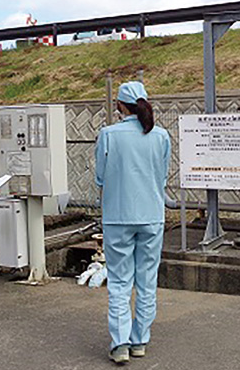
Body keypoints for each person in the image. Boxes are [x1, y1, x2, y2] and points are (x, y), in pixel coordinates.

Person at [95, 81, 171, 364]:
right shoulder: (161, 136)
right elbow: (162, 176)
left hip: (117, 216)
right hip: (152, 215)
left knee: (119, 281)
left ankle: (120, 344)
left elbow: (100, 176)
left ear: (119, 105)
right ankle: (140, 340)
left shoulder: (108, 134)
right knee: (147, 280)